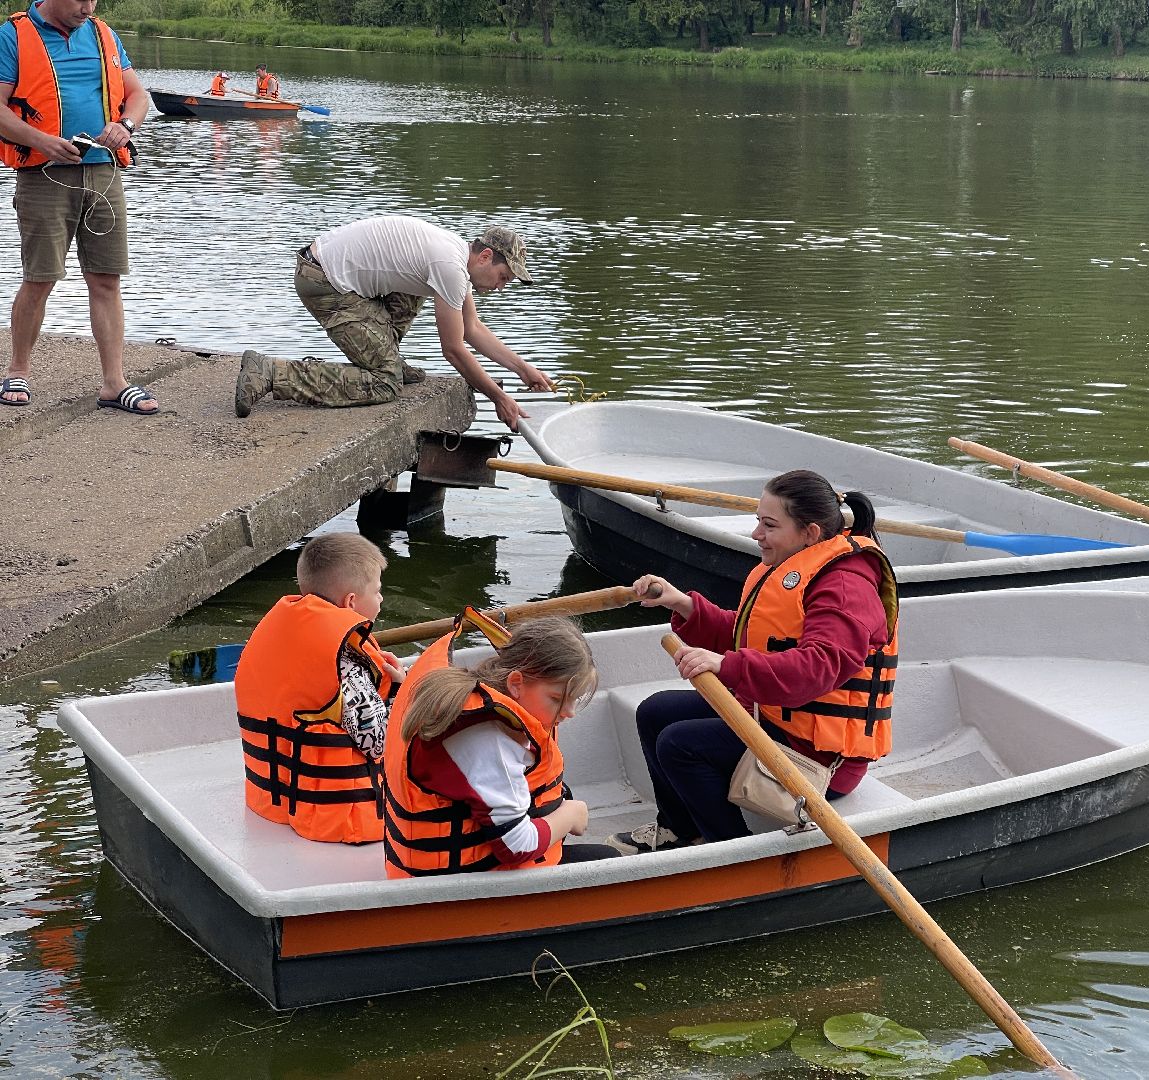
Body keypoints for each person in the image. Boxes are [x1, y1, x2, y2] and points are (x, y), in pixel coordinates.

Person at [607, 469, 899, 854]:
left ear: (809, 533)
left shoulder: (845, 585)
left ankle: (731, 852)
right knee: (655, 712)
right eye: (757, 521)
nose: (755, 534)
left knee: (680, 745)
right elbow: (757, 637)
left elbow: (819, 668)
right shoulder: (795, 565)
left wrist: (727, 666)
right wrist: (683, 604)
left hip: (823, 758)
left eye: (769, 525)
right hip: (776, 718)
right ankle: (680, 831)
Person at [234, 215, 555, 430]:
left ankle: (386, 356)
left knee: (416, 292)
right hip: (323, 282)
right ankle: (271, 373)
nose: (500, 287)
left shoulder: (456, 257)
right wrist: (499, 397)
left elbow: (472, 329)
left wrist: (522, 369)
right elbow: (454, 350)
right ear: (485, 256)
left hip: (334, 275)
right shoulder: (450, 266)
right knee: (385, 383)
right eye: (503, 277)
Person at [0, 0, 154, 414]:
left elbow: (139, 94)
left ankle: (114, 383)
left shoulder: (104, 33)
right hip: (44, 176)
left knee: (107, 279)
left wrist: (126, 126)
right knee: (41, 277)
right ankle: (17, 371)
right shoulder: (12, 35)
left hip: (104, 174)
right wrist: (40, 140)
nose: (88, 7)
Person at [382, 613, 619, 876]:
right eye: (557, 698)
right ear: (516, 683)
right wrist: (571, 816)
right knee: (609, 860)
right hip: (454, 893)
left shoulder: (481, 698)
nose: (569, 712)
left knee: (562, 795)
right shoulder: (488, 739)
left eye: (575, 699)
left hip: (443, 869)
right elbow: (516, 846)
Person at [235, 533, 406, 844]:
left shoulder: (277, 629)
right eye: (378, 591)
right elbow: (379, 743)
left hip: (271, 801)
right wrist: (399, 691)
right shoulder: (346, 661)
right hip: (342, 820)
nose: (381, 599)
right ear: (350, 602)